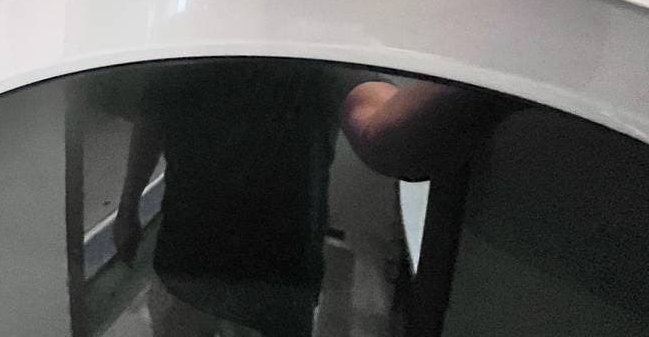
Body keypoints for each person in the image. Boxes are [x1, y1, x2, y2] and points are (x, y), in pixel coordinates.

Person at [113, 58, 506, 337]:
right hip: (203, 271)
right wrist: (127, 209)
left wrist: (492, 66)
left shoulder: (313, 61)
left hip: (263, 279)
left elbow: (384, 135)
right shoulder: (196, 52)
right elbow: (152, 123)